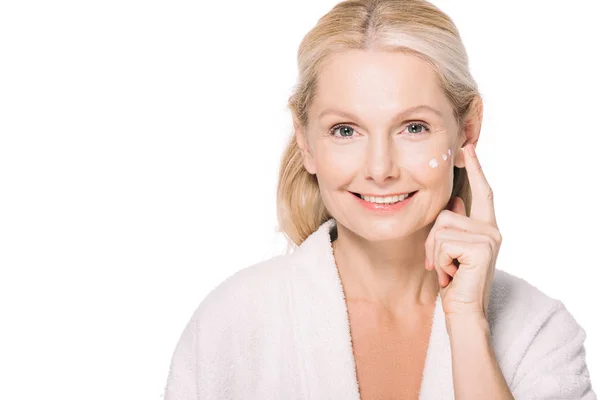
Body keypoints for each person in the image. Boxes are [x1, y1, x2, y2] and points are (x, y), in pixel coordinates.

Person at [164, 0, 596, 398]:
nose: (379, 168)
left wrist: (468, 322)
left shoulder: (539, 333)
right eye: (345, 131)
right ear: (306, 142)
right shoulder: (232, 325)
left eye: (413, 127)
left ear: (467, 129)